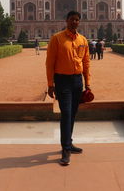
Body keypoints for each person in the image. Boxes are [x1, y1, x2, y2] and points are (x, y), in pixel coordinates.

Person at [46, 11, 91, 166]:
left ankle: (69, 143)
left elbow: (86, 63)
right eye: (72, 19)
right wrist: (50, 84)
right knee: (66, 113)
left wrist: (88, 84)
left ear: (80, 22)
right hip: (62, 81)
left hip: (77, 81)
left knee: (72, 114)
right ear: (66, 21)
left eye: (77, 20)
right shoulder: (57, 38)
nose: (74, 22)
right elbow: (49, 63)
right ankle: (65, 149)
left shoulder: (83, 40)